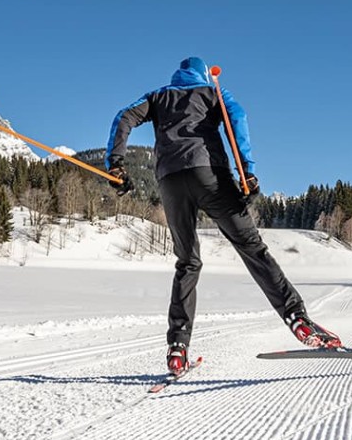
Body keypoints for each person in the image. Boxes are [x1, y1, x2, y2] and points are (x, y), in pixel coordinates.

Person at [105, 57, 340, 375]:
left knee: (187, 262)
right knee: (252, 249)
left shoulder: (158, 96)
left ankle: (177, 348)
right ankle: (298, 320)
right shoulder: (212, 91)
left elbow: (124, 117)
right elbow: (237, 119)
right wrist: (248, 172)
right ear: (204, 74)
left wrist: (115, 163)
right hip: (210, 175)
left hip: (171, 182)